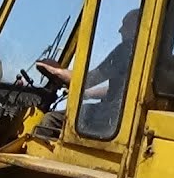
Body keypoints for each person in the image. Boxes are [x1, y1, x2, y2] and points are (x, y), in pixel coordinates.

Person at [34, 8, 140, 136]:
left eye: (125, 25)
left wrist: (57, 71)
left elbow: (88, 80)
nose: (120, 30)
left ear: (136, 26)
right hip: (119, 114)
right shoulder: (143, 56)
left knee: (51, 119)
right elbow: (120, 90)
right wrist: (88, 94)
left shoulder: (127, 50)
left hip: (112, 117)